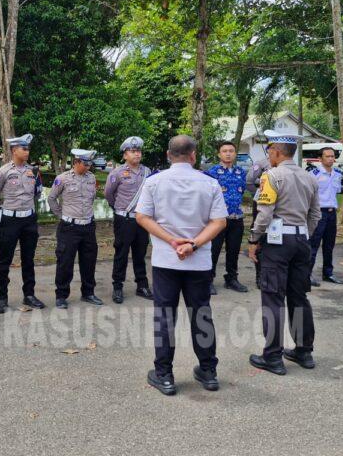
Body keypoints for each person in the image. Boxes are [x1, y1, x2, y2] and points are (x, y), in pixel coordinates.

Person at [136, 135, 227, 395]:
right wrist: (194, 244)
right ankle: (208, 371)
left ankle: (164, 374)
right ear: (193, 155)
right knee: (201, 314)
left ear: (168, 154)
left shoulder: (154, 182)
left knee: (165, 317)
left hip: (167, 259)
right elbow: (219, 222)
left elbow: (142, 217)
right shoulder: (209, 183)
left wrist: (172, 241)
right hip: (198, 261)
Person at [247, 131, 321, 376]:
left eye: (269, 151)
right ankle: (304, 351)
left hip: (278, 242)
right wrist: (302, 235)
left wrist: (254, 239)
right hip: (302, 240)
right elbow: (315, 215)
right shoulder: (309, 177)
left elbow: (265, 214)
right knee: (299, 297)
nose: (269, 155)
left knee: (273, 298)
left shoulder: (272, 175)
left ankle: (273, 357)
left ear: (277, 152)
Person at [0, 133, 45, 313]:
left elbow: (36, 193)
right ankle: (2, 298)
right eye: (24, 148)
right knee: (5, 260)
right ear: (14, 150)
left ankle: (29, 295)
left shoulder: (33, 171)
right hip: (9, 221)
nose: (27, 152)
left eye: (28, 148)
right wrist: (4, 211)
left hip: (29, 220)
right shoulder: (2, 172)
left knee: (28, 259)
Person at [48, 149, 102, 308]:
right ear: (76, 162)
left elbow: (91, 198)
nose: (88, 167)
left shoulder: (91, 178)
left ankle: (88, 293)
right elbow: (51, 199)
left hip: (88, 226)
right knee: (65, 262)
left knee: (89, 261)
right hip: (69, 227)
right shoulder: (62, 179)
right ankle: (61, 296)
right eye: (85, 164)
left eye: (90, 164)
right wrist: (63, 216)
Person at [104, 136, 153, 304]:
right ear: (125, 155)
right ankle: (118, 287)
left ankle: (142, 285)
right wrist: (118, 209)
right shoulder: (117, 173)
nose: (137, 154)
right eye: (132, 151)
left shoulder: (147, 172)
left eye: (138, 151)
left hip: (142, 220)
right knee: (121, 253)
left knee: (140, 253)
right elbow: (108, 194)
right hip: (124, 220)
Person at [204, 141, 248, 294]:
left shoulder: (241, 172)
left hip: (236, 218)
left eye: (231, 151)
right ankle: (208, 280)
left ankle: (231, 279)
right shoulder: (212, 172)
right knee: (213, 250)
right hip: (217, 219)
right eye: (224, 151)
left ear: (235, 154)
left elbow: (242, 192)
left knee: (233, 251)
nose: (228, 153)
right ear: (219, 154)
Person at [308, 147, 343, 286]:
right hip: (319, 213)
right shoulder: (314, 174)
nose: (331, 158)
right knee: (313, 244)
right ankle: (307, 275)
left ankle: (328, 273)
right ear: (320, 158)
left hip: (332, 214)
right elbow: (309, 195)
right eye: (327, 156)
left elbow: (336, 192)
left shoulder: (337, 174)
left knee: (329, 245)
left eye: (332, 156)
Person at [247, 155, 271, 288]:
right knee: (259, 238)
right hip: (262, 201)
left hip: (279, 205)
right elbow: (249, 181)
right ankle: (260, 276)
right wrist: (258, 192)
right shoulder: (261, 163)